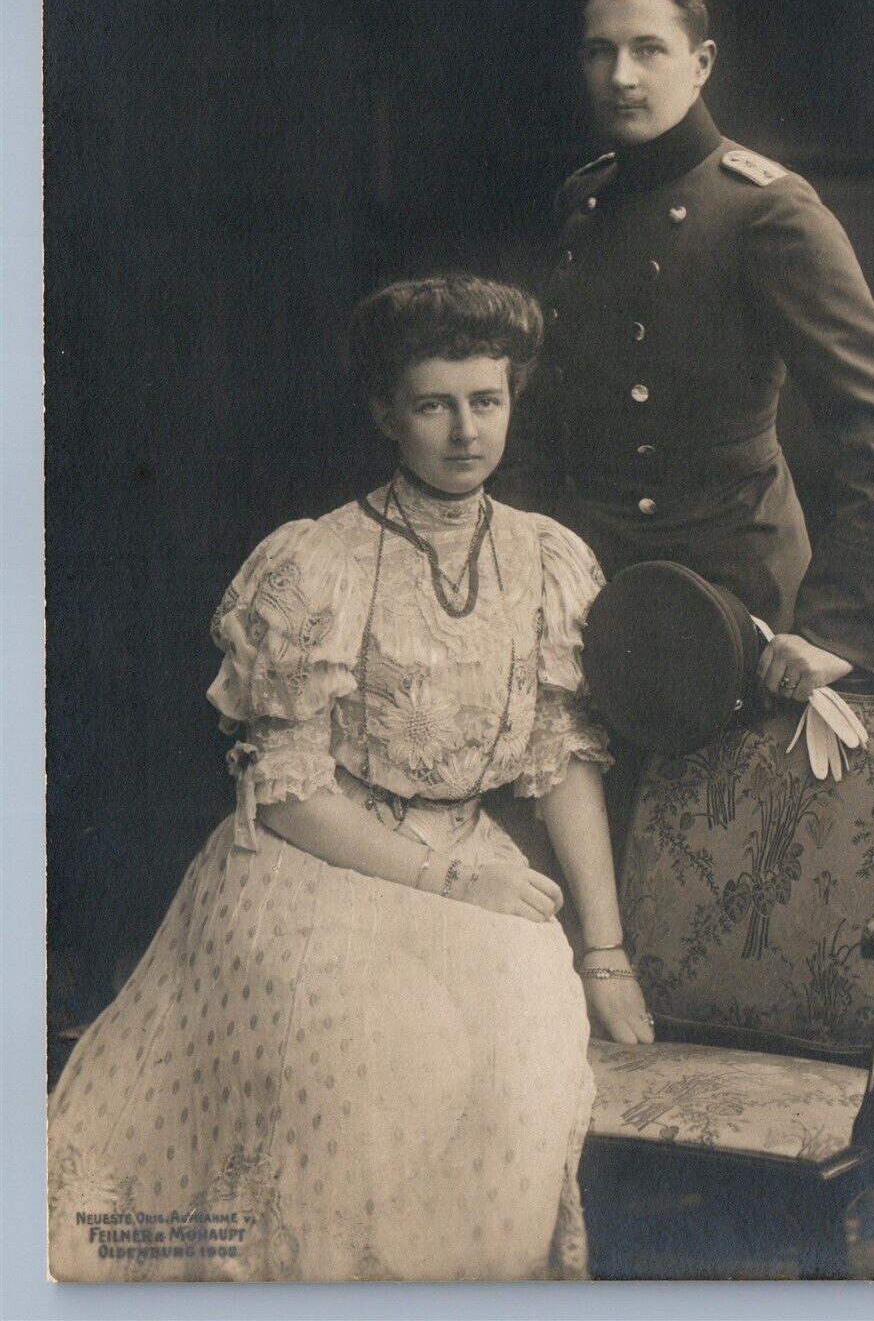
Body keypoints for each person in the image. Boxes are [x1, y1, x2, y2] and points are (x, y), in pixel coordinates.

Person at [47, 274, 652, 1284]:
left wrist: (606, 948)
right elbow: (285, 793)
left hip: (481, 863)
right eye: (434, 404)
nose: (465, 431)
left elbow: (562, 761)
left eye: (487, 401)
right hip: (317, 865)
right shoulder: (314, 561)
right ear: (386, 413)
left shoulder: (549, 560)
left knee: (521, 1039)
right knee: (370, 1053)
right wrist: (450, 881)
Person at [501, 0, 874, 706]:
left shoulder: (766, 210)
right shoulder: (586, 200)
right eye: (599, 52)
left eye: (647, 50)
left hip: (732, 602)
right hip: (589, 589)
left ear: (699, 64)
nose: (621, 76)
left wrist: (837, 631)